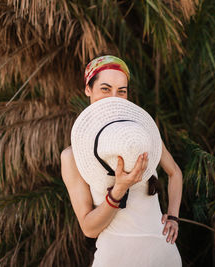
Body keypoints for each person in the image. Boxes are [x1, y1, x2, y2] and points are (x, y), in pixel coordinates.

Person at [60, 55, 183, 266]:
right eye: (105, 89)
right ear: (88, 89)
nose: (114, 97)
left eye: (122, 91)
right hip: (115, 259)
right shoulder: (72, 156)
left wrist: (173, 216)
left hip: (163, 255)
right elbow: (89, 229)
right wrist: (119, 190)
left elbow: (175, 173)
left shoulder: (142, 135)